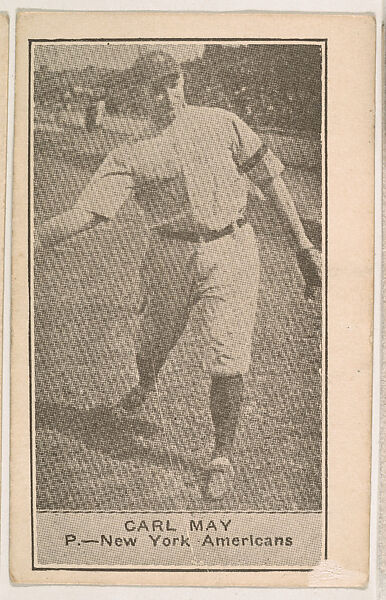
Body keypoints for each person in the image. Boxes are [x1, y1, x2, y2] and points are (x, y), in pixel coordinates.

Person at [35, 50, 322, 501]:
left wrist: (304, 245)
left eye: (172, 82)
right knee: (152, 343)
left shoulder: (221, 122)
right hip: (169, 255)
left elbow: (271, 181)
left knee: (229, 355)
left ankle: (220, 456)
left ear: (183, 79)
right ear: (139, 92)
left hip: (232, 248)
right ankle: (144, 385)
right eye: (154, 87)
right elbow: (86, 213)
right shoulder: (129, 154)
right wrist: (28, 241)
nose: (166, 94)